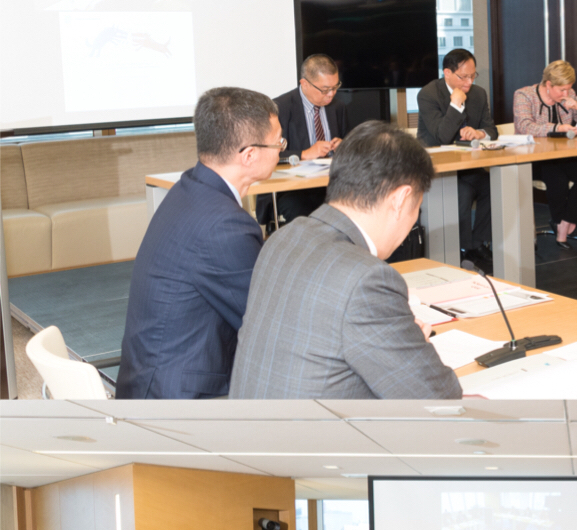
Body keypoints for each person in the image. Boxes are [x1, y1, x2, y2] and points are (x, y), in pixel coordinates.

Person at [229, 122, 462, 400]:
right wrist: (408, 349)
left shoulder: (283, 239)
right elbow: (439, 398)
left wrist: (396, 341)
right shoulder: (367, 279)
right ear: (400, 199)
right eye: (418, 208)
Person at [116, 87, 281, 399]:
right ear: (249, 155)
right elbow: (268, 322)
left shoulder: (188, 188)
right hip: (179, 399)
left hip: (150, 378)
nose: (282, 151)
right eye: (279, 143)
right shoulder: (225, 225)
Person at [417, 49, 498, 271]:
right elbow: (441, 137)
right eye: (463, 77)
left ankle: (477, 244)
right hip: (437, 168)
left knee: (492, 184)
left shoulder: (478, 94)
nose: (469, 82)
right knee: (462, 192)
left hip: (467, 164)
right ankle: (460, 248)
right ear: (447, 73)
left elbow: (492, 130)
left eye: (473, 76)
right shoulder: (428, 94)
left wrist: (479, 133)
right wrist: (455, 105)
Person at [513, 61, 577, 245]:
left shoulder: (570, 95)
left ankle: (565, 223)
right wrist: (557, 127)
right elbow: (524, 126)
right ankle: (559, 222)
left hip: (561, 156)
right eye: (561, 90)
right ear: (548, 84)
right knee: (556, 177)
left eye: (569, 89)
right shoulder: (524, 95)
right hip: (532, 158)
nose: (566, 94)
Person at [263, 54, 349, 228]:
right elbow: (264, 154)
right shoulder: (279, 108)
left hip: (330, 186)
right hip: (292, 190)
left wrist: (345, 146)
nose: (331, 94)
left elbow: (350, 142)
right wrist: (304, 154)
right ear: (305, 84)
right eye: (325, 89)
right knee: (308, 217)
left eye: (335, 87)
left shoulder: (337, 107)